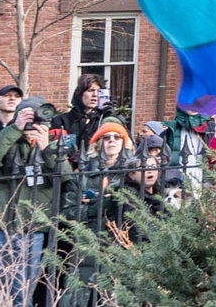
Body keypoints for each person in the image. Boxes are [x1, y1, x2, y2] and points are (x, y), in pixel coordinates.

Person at [0, 97, 77, 307]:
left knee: (21, 294)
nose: (33, 123)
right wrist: (15, 129)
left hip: (32, 228)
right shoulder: (1, 137)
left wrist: (47, 147)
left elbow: (65, 177)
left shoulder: (52, 146)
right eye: (28, 116)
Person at [65, 117, 138, 307]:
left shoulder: (133, 173)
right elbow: (68, 210)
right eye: (106, 138)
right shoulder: (83, 175)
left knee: (114, 295)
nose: (112, 140)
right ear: (99, 143)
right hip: (88, 239)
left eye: (117, 137)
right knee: (79, 294)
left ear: (125, 142)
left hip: (121, 241)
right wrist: (93, 208)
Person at [50, 74, 111, 159]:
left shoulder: (104, 120)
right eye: (90, 90)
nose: (95, 94)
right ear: (80, 94)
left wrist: (113, 117)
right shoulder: (61, 120)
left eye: (99, 91)